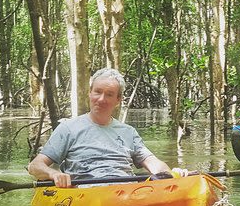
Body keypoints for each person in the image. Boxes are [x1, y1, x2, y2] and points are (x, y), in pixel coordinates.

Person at [28, 68, 187, 188]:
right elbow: (35, 166)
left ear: (118, 100)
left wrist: (171, 174)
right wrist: (53, 173)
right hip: (84, 194)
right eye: (97, 92)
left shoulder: (128, 132)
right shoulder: (68, 128)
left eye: (109, 94)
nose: (101, 99)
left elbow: (153, 163)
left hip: (124, 192)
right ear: (90, 93)